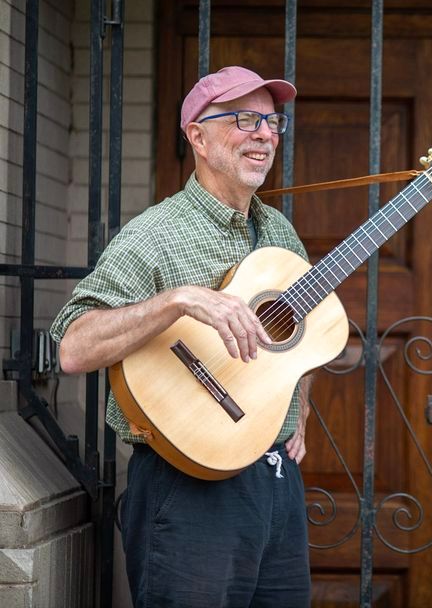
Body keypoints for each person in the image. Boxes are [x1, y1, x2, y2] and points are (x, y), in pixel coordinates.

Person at [51, 66, 313, 607]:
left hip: (276, 481)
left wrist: (301, 405)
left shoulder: (281, 233)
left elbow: (300, 337)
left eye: (272, 120)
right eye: (245, 119)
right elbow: (74, 346)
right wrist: (178, 300)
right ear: (197, 135)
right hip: (186, 486)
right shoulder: (155, 234)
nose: (264, 133)